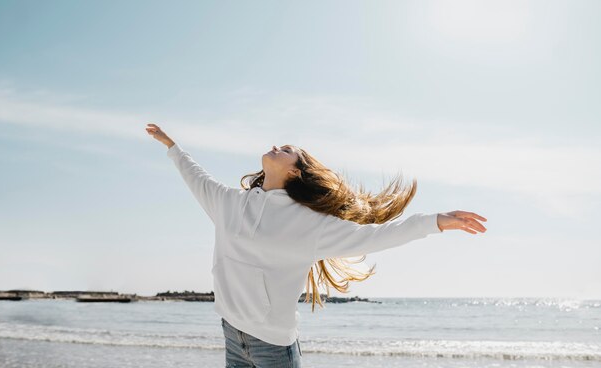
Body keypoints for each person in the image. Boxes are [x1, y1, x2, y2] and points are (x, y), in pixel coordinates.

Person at [145, 123, 487, 367]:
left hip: (273, 349)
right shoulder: (229, 202)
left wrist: (435, 222)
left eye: (288, 151)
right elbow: (196, 177)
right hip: (232, 334)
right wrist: (172, 147)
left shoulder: (309, 225)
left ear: (296, 172)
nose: (277, 146)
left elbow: (376, 236)